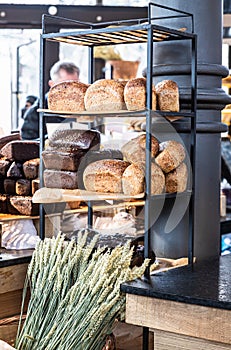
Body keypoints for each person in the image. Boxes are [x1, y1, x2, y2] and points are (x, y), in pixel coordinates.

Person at [20, 61, 80, 140]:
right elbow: (26, 144)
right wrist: (53, 138)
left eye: (75, 84)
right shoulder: (36, 111)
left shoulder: (82, 108)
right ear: (52, 84)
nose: (71, 90)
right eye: (65, 85)